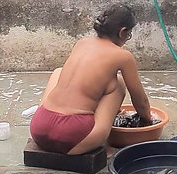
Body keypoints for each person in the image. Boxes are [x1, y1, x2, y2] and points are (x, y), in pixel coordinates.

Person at [30, 3, 151, 155]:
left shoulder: (82, 43)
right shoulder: (123, 56)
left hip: (39, 130)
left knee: (58, 72)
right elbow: (141, 102)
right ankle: (102, 145)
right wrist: (148, 120)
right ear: (122, 32)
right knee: (118, 83)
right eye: (129, 34)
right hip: (74, 138)